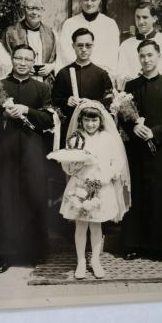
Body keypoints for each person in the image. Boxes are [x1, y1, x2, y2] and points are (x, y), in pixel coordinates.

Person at [0, 45, 55, 273]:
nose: (23, 63)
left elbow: (48, 120)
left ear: (33, 62)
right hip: (6, 150)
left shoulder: (42, 88)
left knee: (33, 195)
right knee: (5, 198)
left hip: (33, 150)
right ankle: (3, 254)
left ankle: (33, 251)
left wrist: (27, 110)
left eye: (27, 59)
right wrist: (3, 113)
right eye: (19, 58)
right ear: (12, 59)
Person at [120, 39, 162, 264]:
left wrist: (154, 133)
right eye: (142, 56)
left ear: (158, 56)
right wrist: (133, 127)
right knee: (137, 195)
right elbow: (123, 115)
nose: (146, 59)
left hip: (161, 151)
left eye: (150, 55)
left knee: (161, 197)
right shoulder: (130, 87)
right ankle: (134, 244)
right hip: (136, 151)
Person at [57, 101, 130, 279]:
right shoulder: (75, 138)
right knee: (81, 226)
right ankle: (81, 261)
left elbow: (117, 162)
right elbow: (68, 165)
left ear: (100, 120)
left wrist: (107, 175)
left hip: (101, 186)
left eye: (94, 120)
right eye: (87, 120)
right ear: (81, 121)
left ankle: (95, 261)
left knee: (97, 226)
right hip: (80, 186)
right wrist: (75, 165)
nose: (90, 124)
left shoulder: (108, 139)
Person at [52, 27, 114, 145]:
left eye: (88, 45)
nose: (84, 49)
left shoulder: (101, 74)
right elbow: (54, 100)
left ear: (93, 45)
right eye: (80, 46)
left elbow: (109, 100)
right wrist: (66, 101)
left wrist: (92, 103)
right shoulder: (63, 73)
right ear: (73, 46)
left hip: (95, 128)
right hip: (70, 128)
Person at [56, 0, 120, 74]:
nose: (89, 3)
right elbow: (65, 53)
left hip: (101, 75)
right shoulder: (69, 24)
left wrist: (96, 72)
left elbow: (112, 56)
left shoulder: (110, 24)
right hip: (76, 74)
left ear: (99, 0)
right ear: (80, 0)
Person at [0, 0, 59, 81]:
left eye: (38, 9)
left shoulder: (51, 33)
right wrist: (21, 67)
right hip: (19, 82)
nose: (34, 12)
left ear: (43, 10)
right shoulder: (11, 33)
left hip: (44, 83)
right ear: (24, 10)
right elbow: (0, 61)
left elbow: (62, 58)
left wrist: (52, 66)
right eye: (30, 8)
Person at [116, 2, 162, 92]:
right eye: (138, 17)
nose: (140, 22)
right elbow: (121, 74)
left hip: (160, 93)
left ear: (154, 18)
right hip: (135, 94)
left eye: (145, 17)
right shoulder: (126, 45)